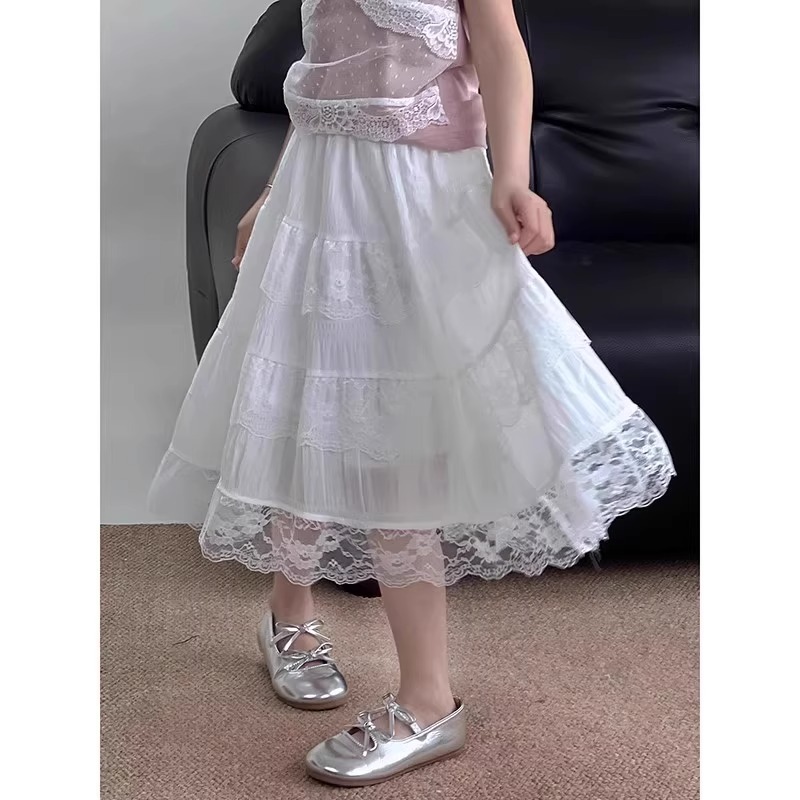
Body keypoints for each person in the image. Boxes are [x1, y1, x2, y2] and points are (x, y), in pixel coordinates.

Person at [149, 0, 675, 787]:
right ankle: (289, 614)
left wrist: (513, 174)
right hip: (317, 195)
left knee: (398, 436)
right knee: (304, 404)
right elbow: (324, 78)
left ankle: (429, 700)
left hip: (418, 202)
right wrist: (273, 192)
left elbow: (500, 46)